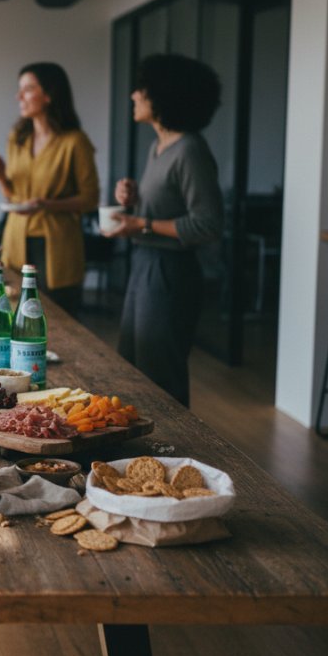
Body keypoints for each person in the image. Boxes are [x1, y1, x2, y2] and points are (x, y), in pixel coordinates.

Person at [103, 54, 224, 406]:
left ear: (164, 95)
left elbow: (209, 223)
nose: (133, 95)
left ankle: (174, 456)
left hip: (171, 273)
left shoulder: (190, 150)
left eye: (142, 88)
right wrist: (134, 202)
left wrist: (142, 222)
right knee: (134, 370)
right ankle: (140, 458)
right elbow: (165, 210)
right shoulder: (159, 147)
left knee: (160, 380)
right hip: (145, 265)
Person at [0, 63, 99, 318]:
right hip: (16, 241)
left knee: (56, 322)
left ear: (49, 95)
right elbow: (13, 196)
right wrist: (0, 175)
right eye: (19, 89)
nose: (19, 96)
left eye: (27, 89)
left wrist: (47, 205)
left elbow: (91, 198)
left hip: (56, 246)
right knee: (12, 316)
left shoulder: (75, 142)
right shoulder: (18, 138)